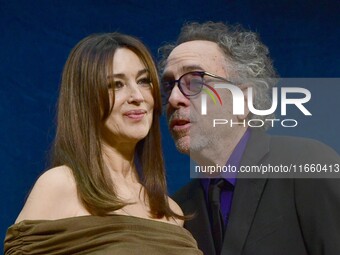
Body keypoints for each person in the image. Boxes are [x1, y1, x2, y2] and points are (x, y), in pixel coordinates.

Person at [4, 33, 202, 255]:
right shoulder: (61, 185)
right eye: (116, 85)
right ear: (85, 100)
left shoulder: (171, 211)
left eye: (144, 81)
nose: (137, 96)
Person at [159, 21, 340, 255]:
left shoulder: (308, 164)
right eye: (168, 85)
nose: (174, 98)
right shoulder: (177, 210)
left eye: (195, 81)